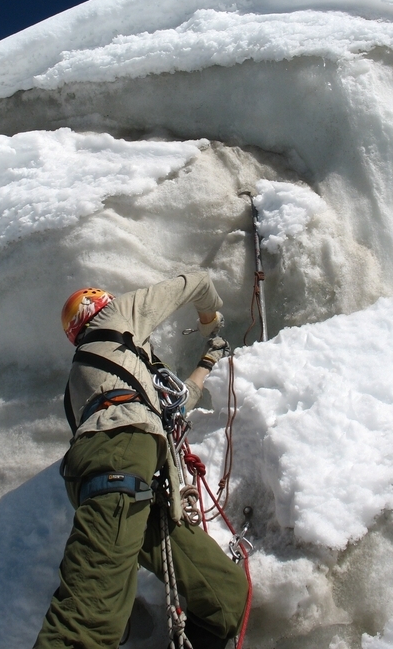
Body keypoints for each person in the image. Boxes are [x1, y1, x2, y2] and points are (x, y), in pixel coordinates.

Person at [33, 271, 248, 649]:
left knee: (225, 596)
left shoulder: (101, 374)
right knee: (90, 617)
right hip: (119, 459)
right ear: (101, 307)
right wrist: (210, 322)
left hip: (124, 471)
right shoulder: (114, 318)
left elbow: (173, 405)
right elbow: (196, 283)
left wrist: (209, 361)